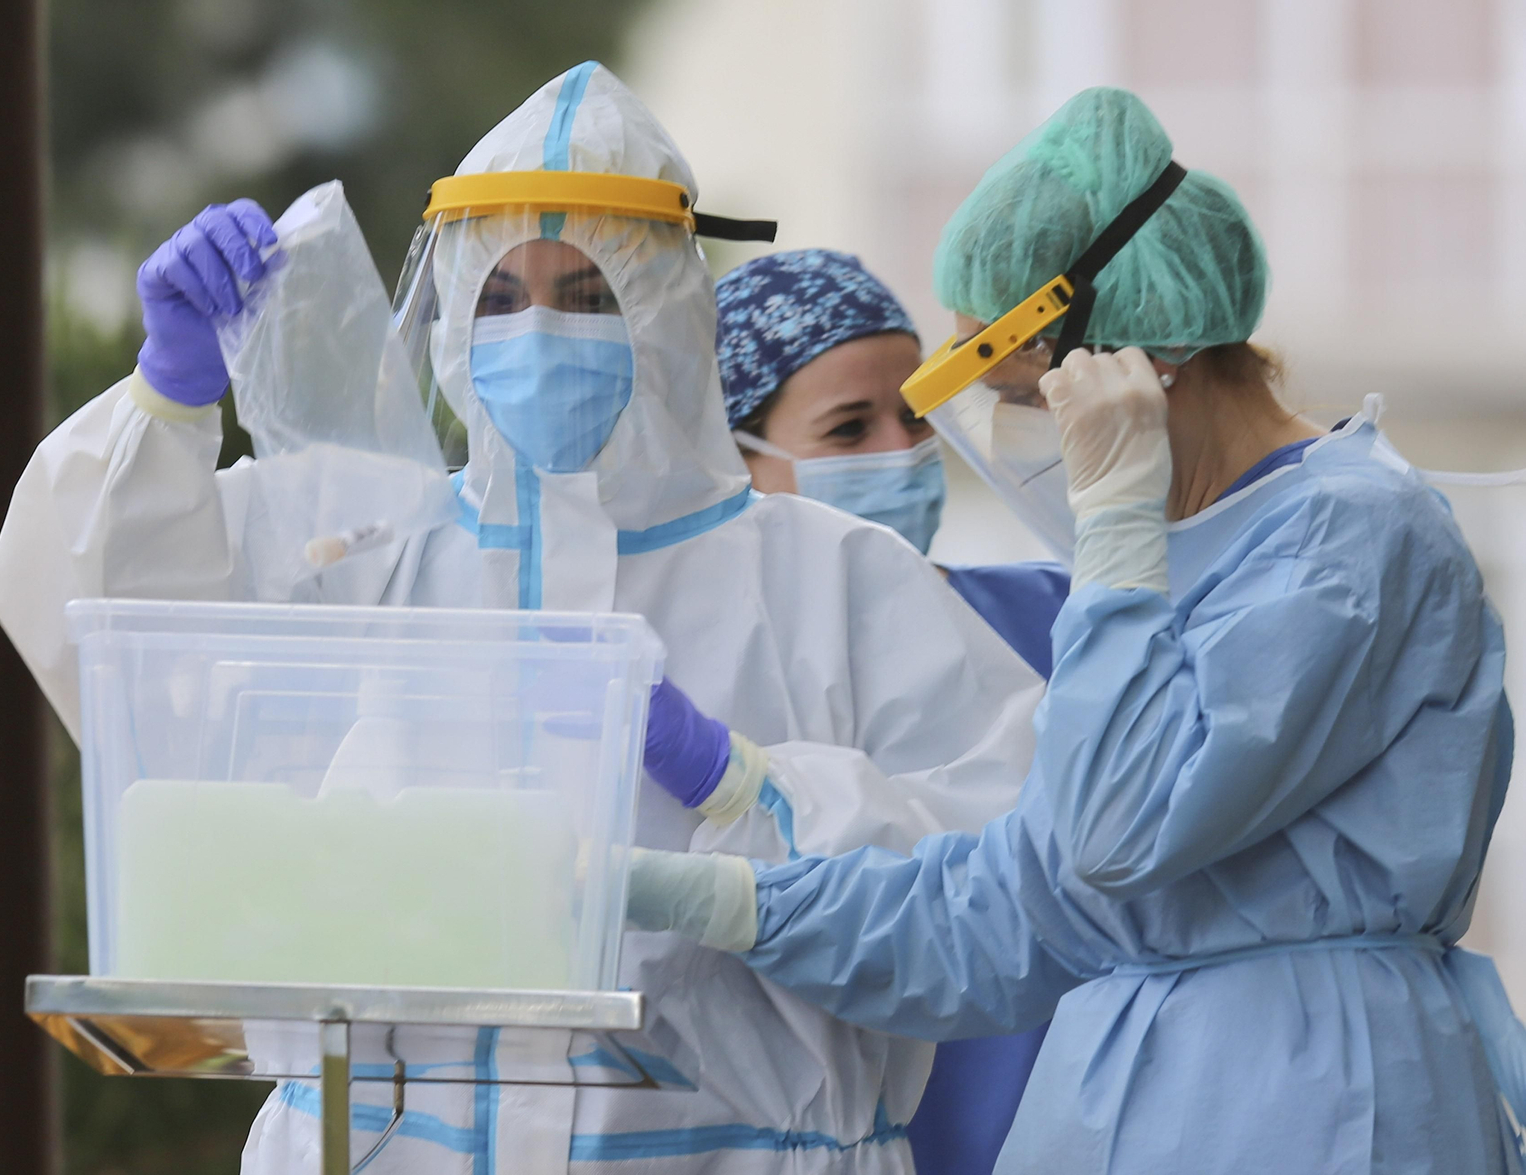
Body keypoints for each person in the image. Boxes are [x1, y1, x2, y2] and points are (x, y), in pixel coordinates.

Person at [0, 62, 1048, 1174]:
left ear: (669, 309)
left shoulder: (835, 581)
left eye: (589, 293)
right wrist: (167, 397)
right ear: (448, 311)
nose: (538, 332)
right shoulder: (359, 549)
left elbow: (997, 900)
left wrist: (749, 786)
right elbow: (110, 640)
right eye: (498, 296)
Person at [629, 87, 1526, 1174]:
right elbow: (1011, 909)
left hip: (1316, 1103)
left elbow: (1117, 826)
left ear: (1138, 371)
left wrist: (1110, 530)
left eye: (1020, 393)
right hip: (1125, 1104)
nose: (1011, 440)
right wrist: (713, 894)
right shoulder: (1181, 562)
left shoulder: (1349, 541)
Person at [715, 247, 1061, 1171]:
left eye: (914, 416)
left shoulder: (1053, 619)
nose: (900, 454)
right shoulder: (721, 683)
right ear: (735, 461)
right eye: (847, 428)